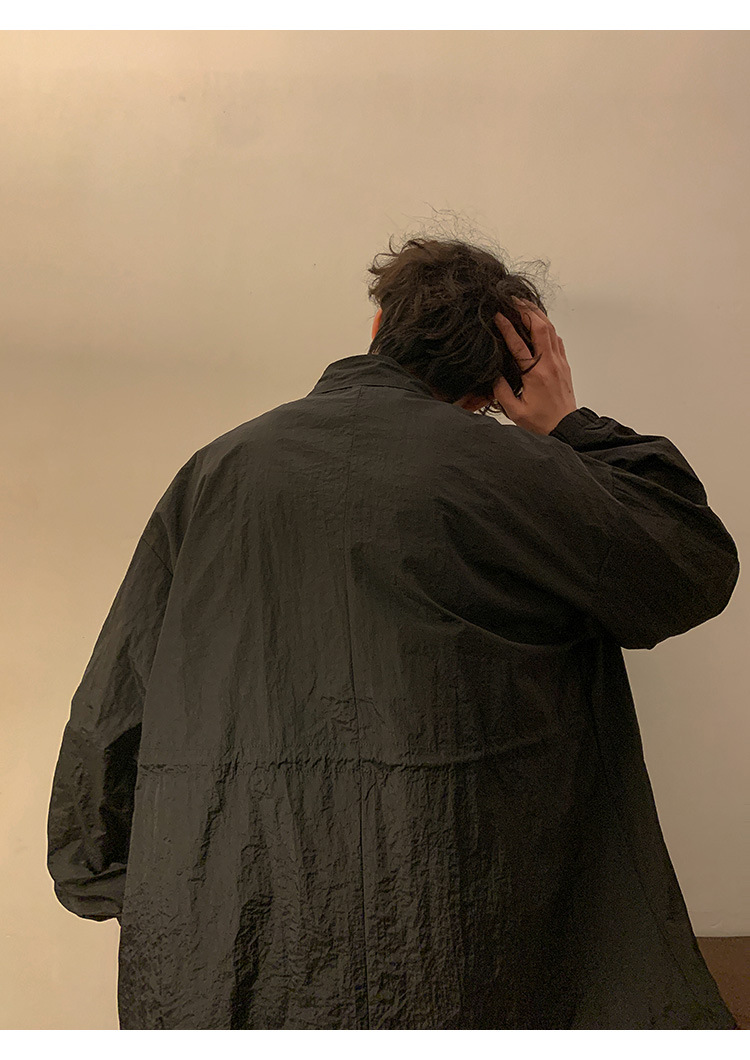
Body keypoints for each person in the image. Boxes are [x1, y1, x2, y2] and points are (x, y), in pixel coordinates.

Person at [47, 237, 740, 1029]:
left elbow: (118, 694)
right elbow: (687, 564)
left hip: (240, 943)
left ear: (378, 326)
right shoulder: (524, 473)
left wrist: (119, 877)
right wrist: (568, 425)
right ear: (494, 383)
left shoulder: (217, 471)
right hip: (463, 939)